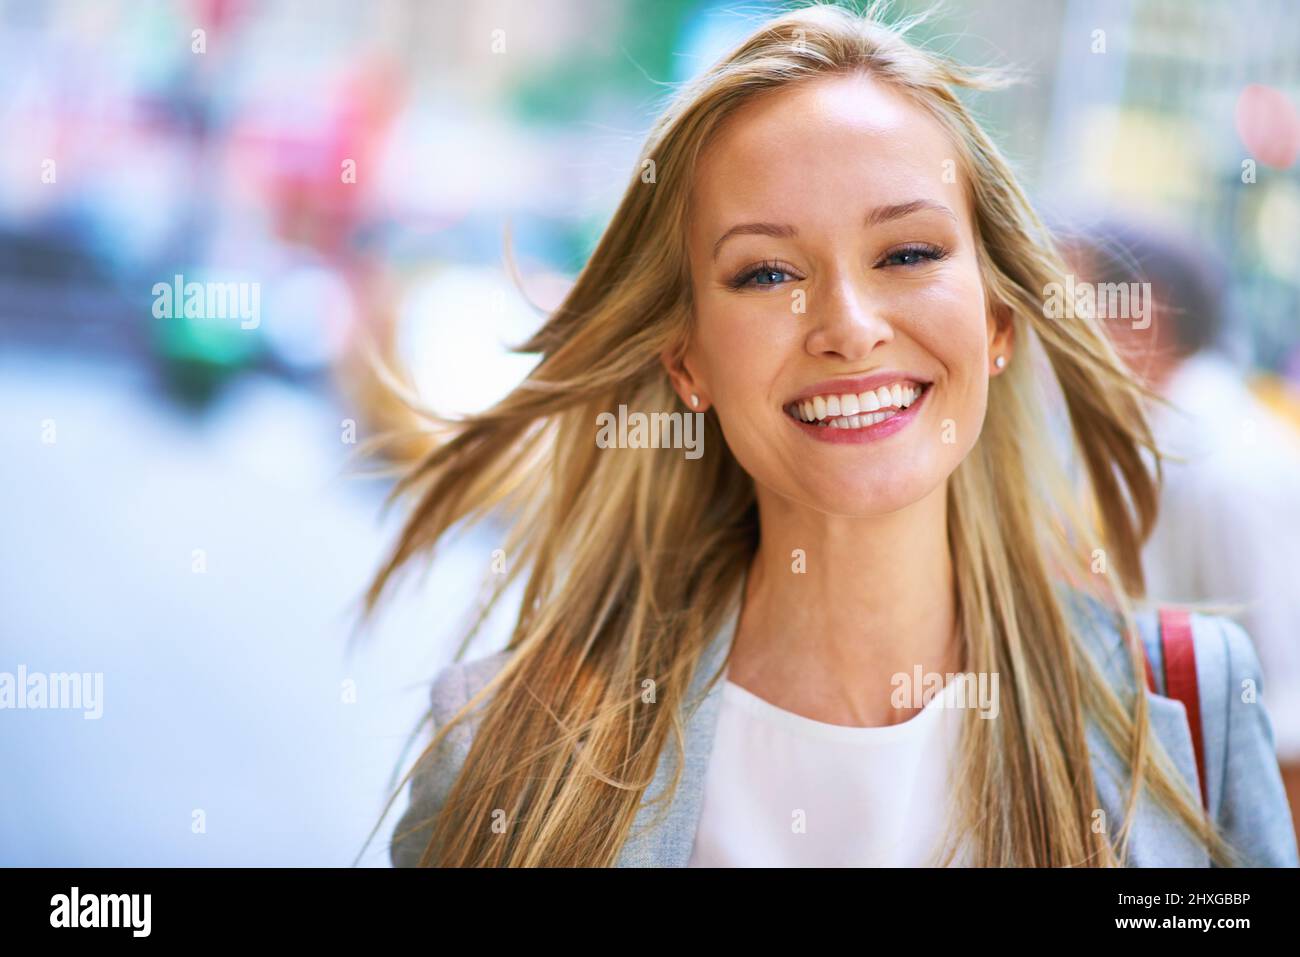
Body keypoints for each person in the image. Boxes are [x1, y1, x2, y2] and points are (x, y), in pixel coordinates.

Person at [369, 4, 1298, 867]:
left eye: (907, 253)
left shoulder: (1194, 709)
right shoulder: (510, 750)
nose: (849, 327)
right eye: (767, 273)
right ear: (687, 360)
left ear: (1000, 320)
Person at [1065, 214, 1300, 847]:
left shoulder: (1230, 469)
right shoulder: (1155, 453)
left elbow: (1286, 706)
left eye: (1066, 303)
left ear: (1141, 320)